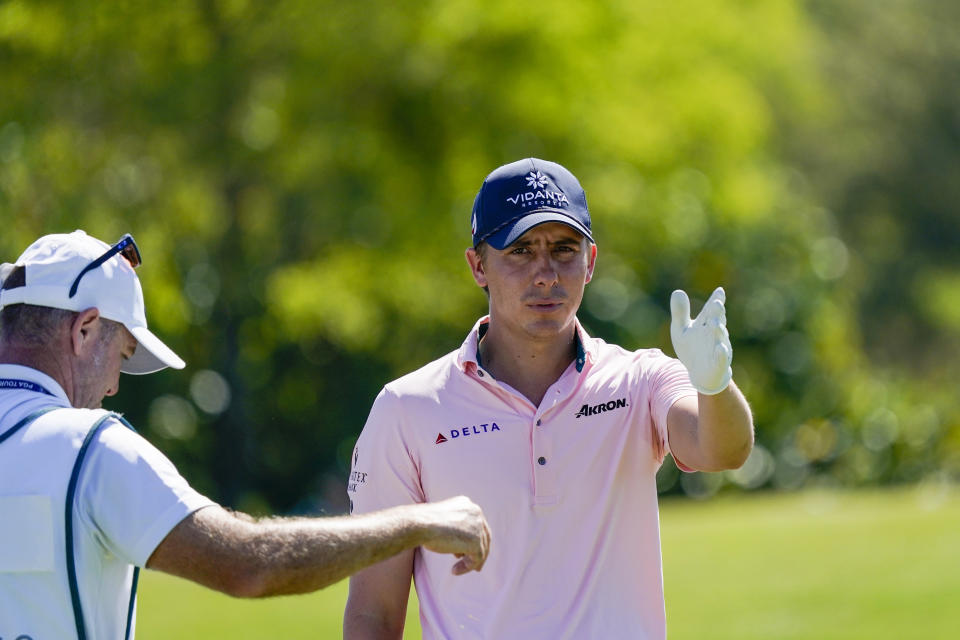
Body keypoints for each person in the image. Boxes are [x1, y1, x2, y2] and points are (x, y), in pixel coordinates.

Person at [0, 230, 491, 640]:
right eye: (123, 357)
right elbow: (249, 564)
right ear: (85, 330)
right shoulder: (90, 448)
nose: (112, 385)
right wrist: (416, 522)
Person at [343, 158, 754, 639]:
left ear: (591, 262)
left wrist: (714, 386)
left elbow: (723, 450)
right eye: (519, 251)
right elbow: (374, 608)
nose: (546, 274)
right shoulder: (406, 408)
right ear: (478, 265)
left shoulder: (641, 379)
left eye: (564, 249)